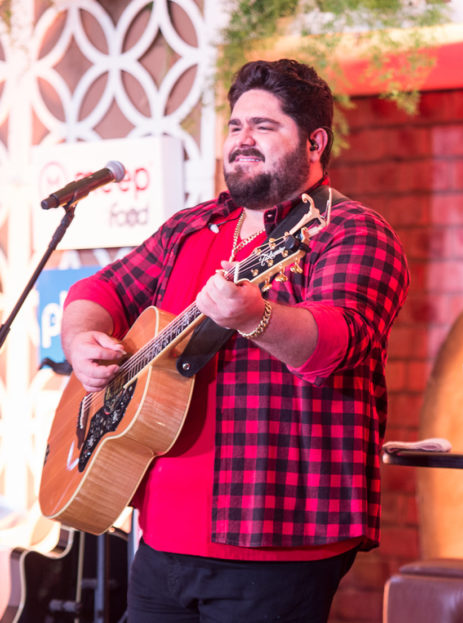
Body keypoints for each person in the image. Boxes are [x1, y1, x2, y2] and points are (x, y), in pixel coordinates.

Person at [60, 59, 409, 622]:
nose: (242, 140)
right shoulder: (192, 226)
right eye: (235, 126)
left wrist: (256, 316)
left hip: (276, 536)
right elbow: (101, 288)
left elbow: (338, 343)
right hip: (163, 537)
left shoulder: (349, 231)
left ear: (314, 142)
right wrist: (80, 340)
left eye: (264, 127)